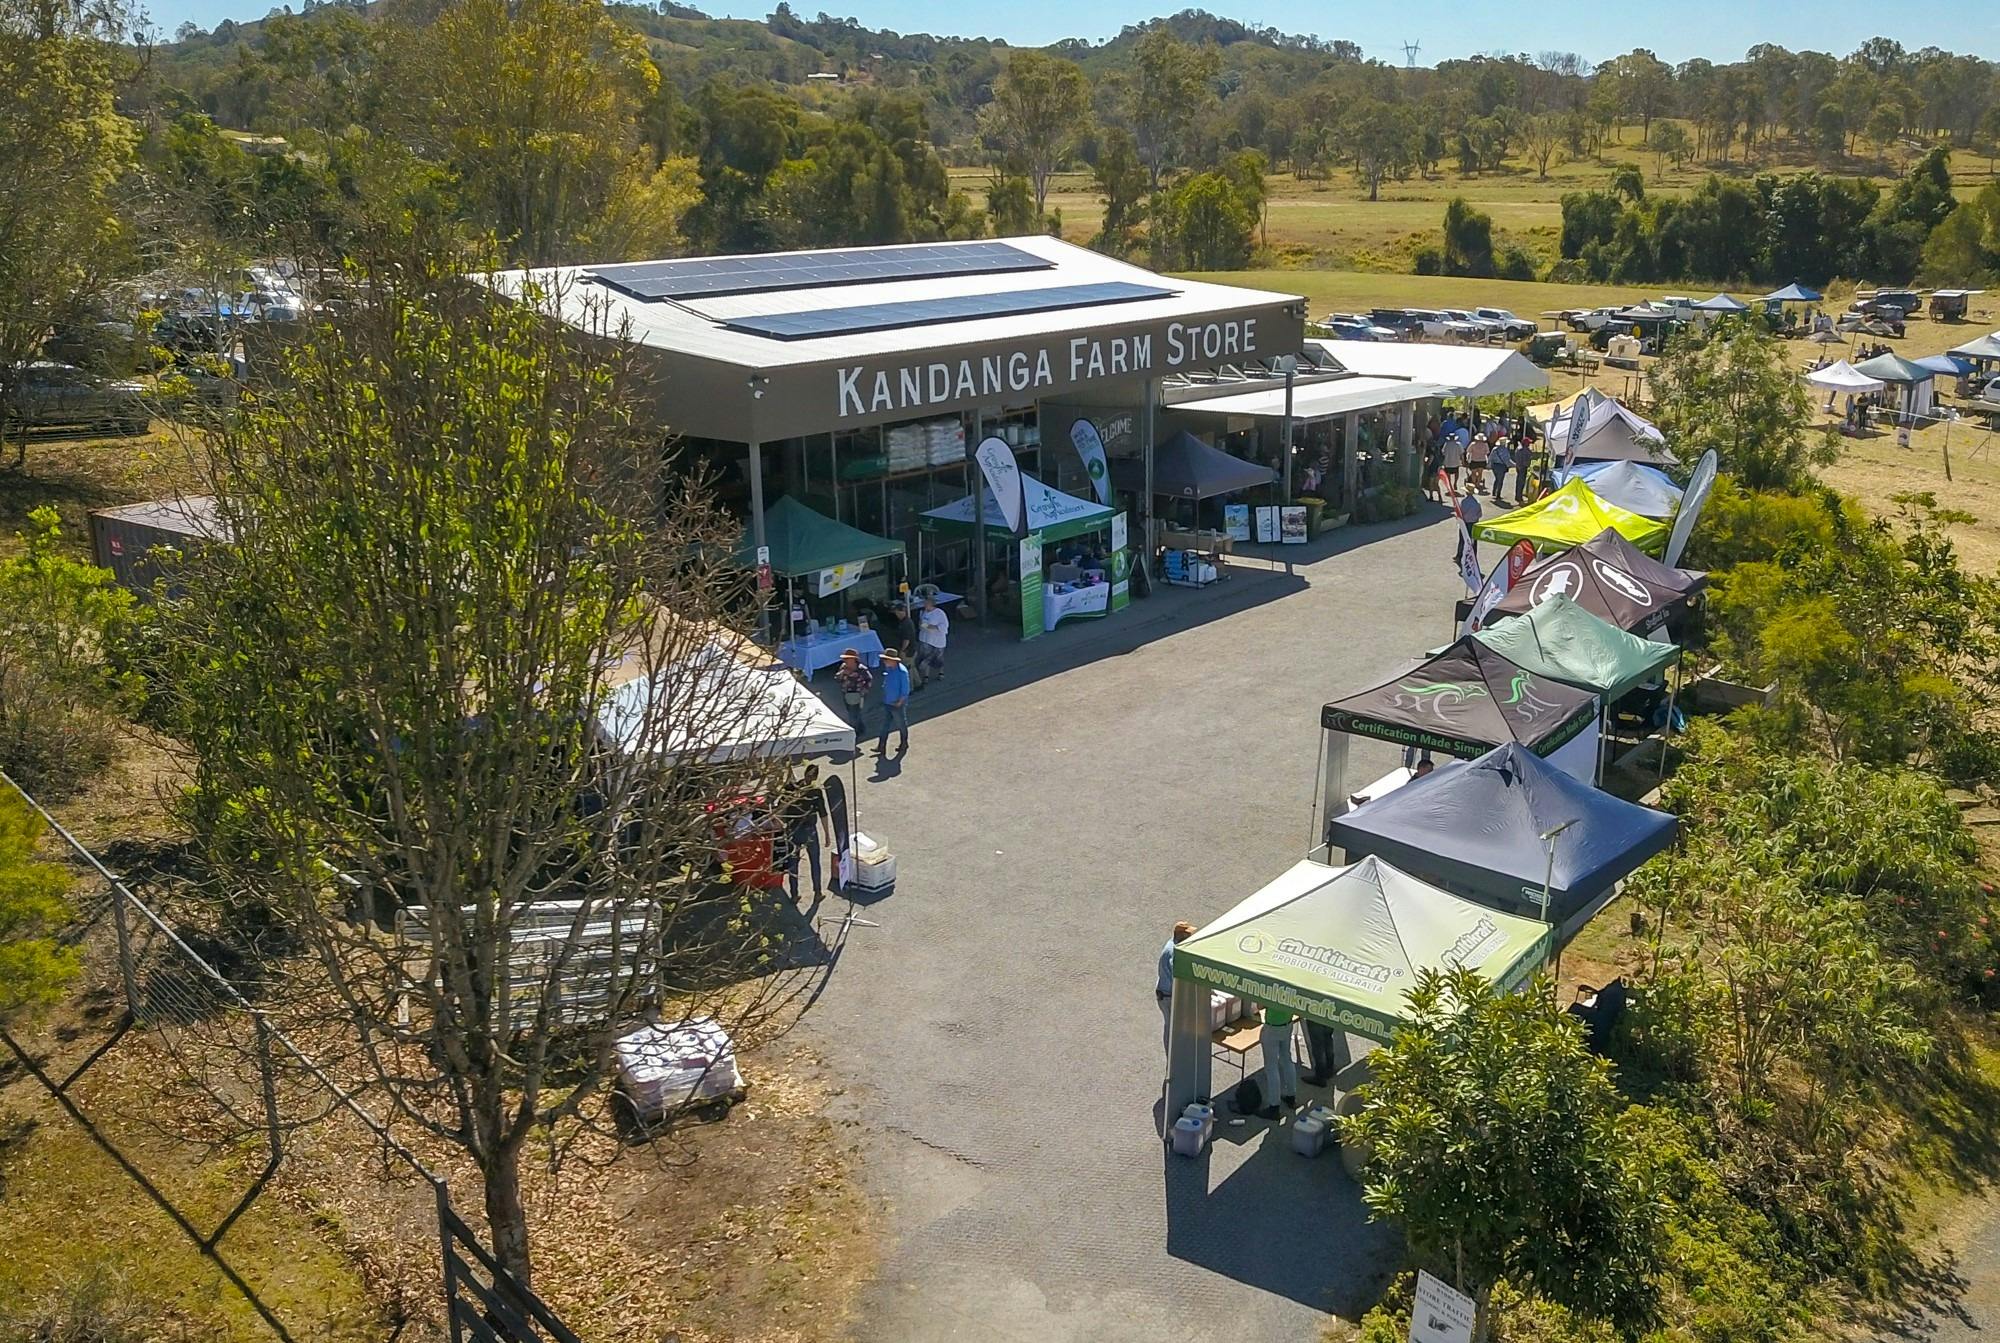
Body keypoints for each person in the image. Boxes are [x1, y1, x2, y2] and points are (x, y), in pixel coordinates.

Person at [781, 765, 830, 904]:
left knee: (793, 863)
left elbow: (782, 809)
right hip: (809, 831)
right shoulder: (815, 792)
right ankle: (818, 892)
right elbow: (823, 814)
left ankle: (794, 894)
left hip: (792, 830)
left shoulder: (791, 788)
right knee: (815, 862)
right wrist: (827, 834)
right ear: (815, 777)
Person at [1157, 920, 1196, 1054]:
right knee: (1172, 1029)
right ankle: (1172, 1061)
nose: (1190, 937)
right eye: (1188, 935)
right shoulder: (1175, 951)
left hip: (1164, 994)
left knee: (1171, 1027)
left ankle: (1174, 1057)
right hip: (1168, 997)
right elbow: (1177, 976)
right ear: (1181, 935)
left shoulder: (1171, 945)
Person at [1257, 1002, 1299, 1119]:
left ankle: (1274, 1106)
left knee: (1271, 1067)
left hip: (1272, 1027)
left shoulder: (1273, 986)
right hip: (1288, 1023)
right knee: (1287, 1059)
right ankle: (1291, 1096)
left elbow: (1259, 1006)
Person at [875, 648, 910, 755]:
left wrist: (900, 702)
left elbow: (906, 689)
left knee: (901, 724)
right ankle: (881, 746)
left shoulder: (902, 672)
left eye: (886, 659)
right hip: (888, 701)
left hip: (896, 703)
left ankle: (904, 743)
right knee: (884, 724)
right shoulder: (889, 668)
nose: (884, 661)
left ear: (893, 660)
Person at [886, 600, 922, 688]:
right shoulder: (907, 621)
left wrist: (902, 651)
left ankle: (910, 688)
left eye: (897, 612)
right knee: (912, 667)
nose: (896, 614)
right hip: (912, 649)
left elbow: (906, 640)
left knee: (907, 669)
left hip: (908, 651)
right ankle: (918, 684)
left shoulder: (905, 624)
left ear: (902, 611)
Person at [834, 648, 872, 733]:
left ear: (854, 659)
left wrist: (864, 691)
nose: (845, 660)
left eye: (847, 658)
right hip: (846, 693)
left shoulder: (861, 669)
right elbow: (837, 679)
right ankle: (861, 728)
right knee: (853, 712)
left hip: (857, 694)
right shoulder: (843, 667)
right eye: (845, 659)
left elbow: (869, 679)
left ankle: (855, 732)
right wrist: (842, 674)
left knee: (853, 714)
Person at [916, 595, 949, 683]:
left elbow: (943, 627)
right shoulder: (922, 612)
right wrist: (924, 626)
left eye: (926, 603)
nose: (924, 604)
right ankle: (926, 676)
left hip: (937, 641)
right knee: (926, 658)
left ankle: (940, 673)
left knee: (938, 658)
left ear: (931, 604)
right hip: (925, 639)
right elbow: (920, 623)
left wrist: (928, 627)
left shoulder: (940, 613)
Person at [1454, 490, 1482, 570]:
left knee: (1462, 540)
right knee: (1473, 542)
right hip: (1474, 524)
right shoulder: (1477, 502)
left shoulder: (1464, 502)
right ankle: (1473, 557)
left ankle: (1459, 556)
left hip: (1465, 523)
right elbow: (1480, 514)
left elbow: (1461, 513)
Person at [1487, 437, 1513, 504]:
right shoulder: (1505, 450)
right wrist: (1512, 465)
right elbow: (1507, 460)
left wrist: (1489, 465)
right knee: (1500, 480)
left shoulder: (1495, 449)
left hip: (1494, 466)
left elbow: (1490, 457)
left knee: (1497, 479)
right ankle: (1497, 494)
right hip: (1501, 466)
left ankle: (1494, 492)